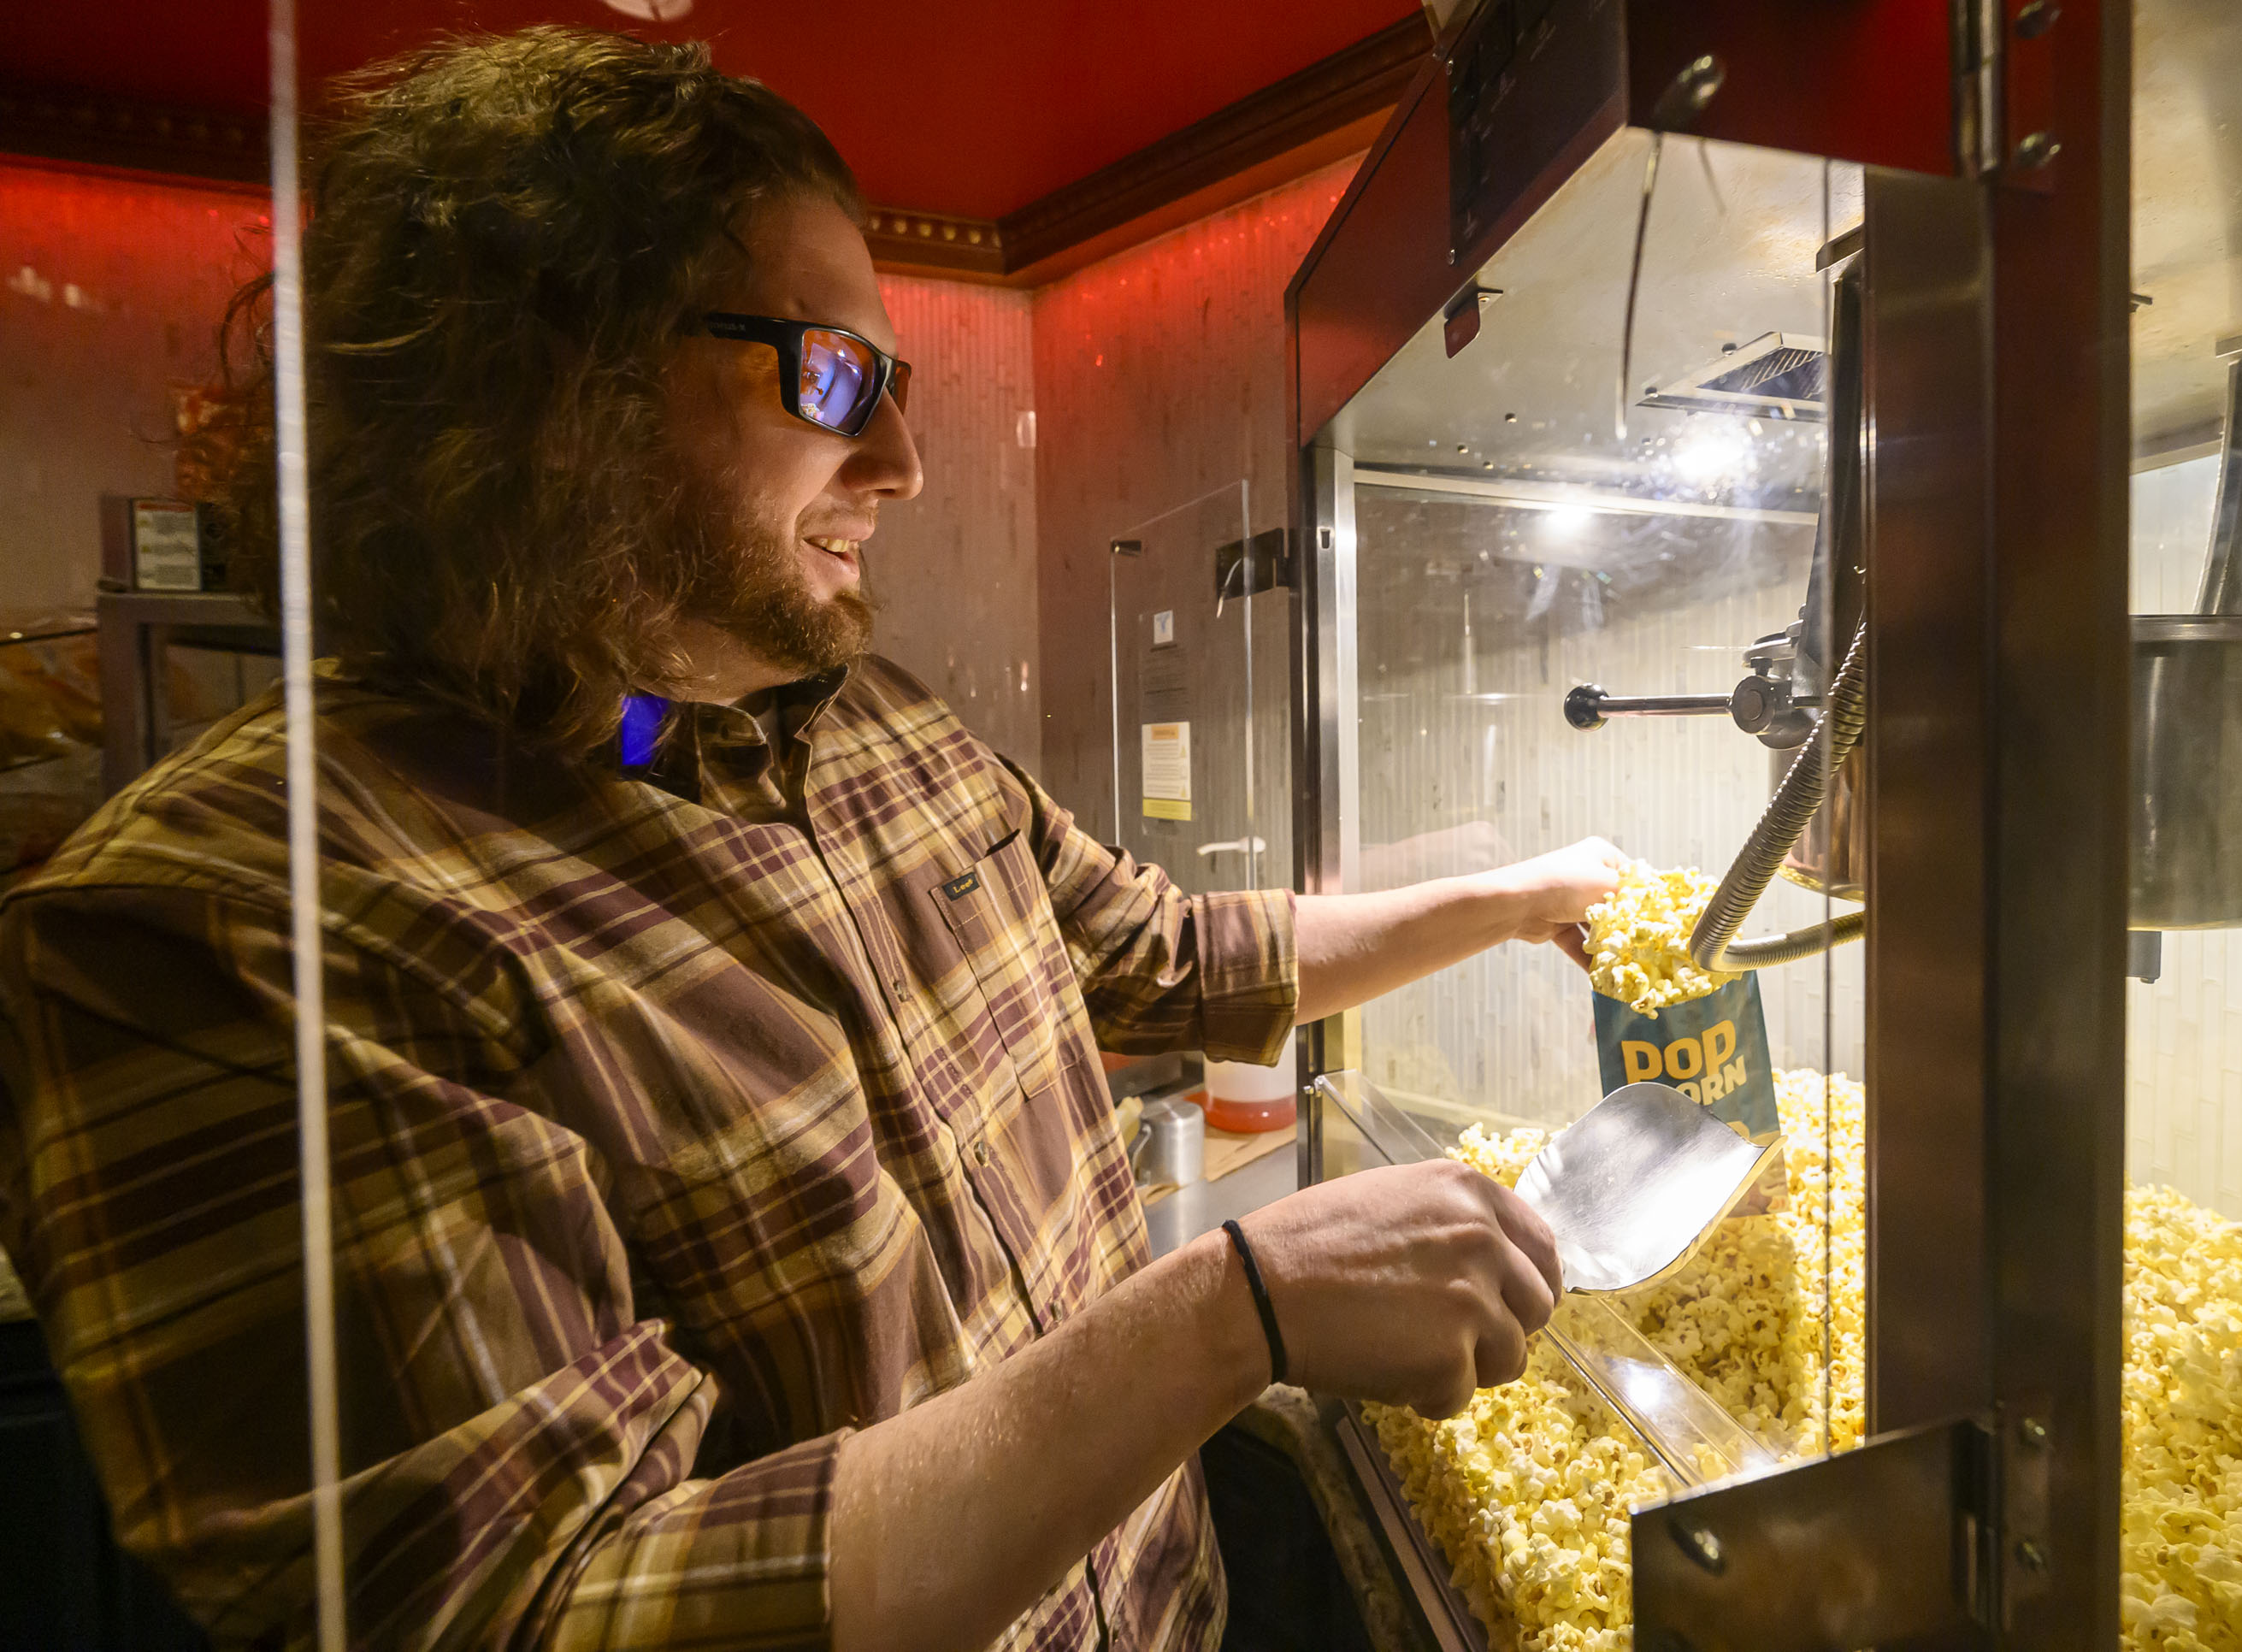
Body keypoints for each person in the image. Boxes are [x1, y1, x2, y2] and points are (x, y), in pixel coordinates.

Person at [0, 27, 1625, 1652]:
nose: (904, 466)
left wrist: (1518, 896)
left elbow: (1165, 957)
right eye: (834, 377)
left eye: (895, 388)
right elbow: (550, 1608)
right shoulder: (231, 920)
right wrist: (1228, 1311)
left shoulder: (874, 730)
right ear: (552, 388)